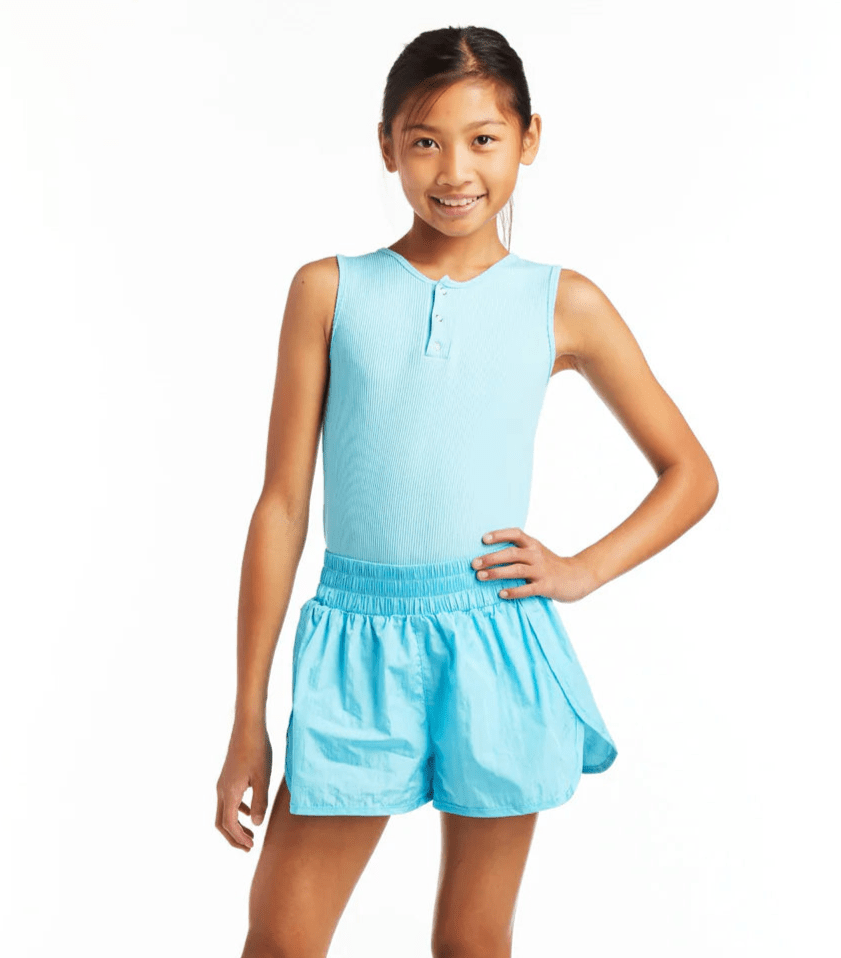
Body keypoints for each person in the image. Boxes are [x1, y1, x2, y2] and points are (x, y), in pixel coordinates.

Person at [216, 24, 718, 958]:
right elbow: (281, 506)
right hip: (355, 640)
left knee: (473, 942)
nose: (454, 171)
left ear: (529, 138)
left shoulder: (561, 302)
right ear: (386, 145)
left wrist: (580, 570)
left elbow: (690, 473)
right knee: (281, 939)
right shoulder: (329, 291)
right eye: (424, 140)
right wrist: (248, 714)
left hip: (495, 639)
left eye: (483, 138)